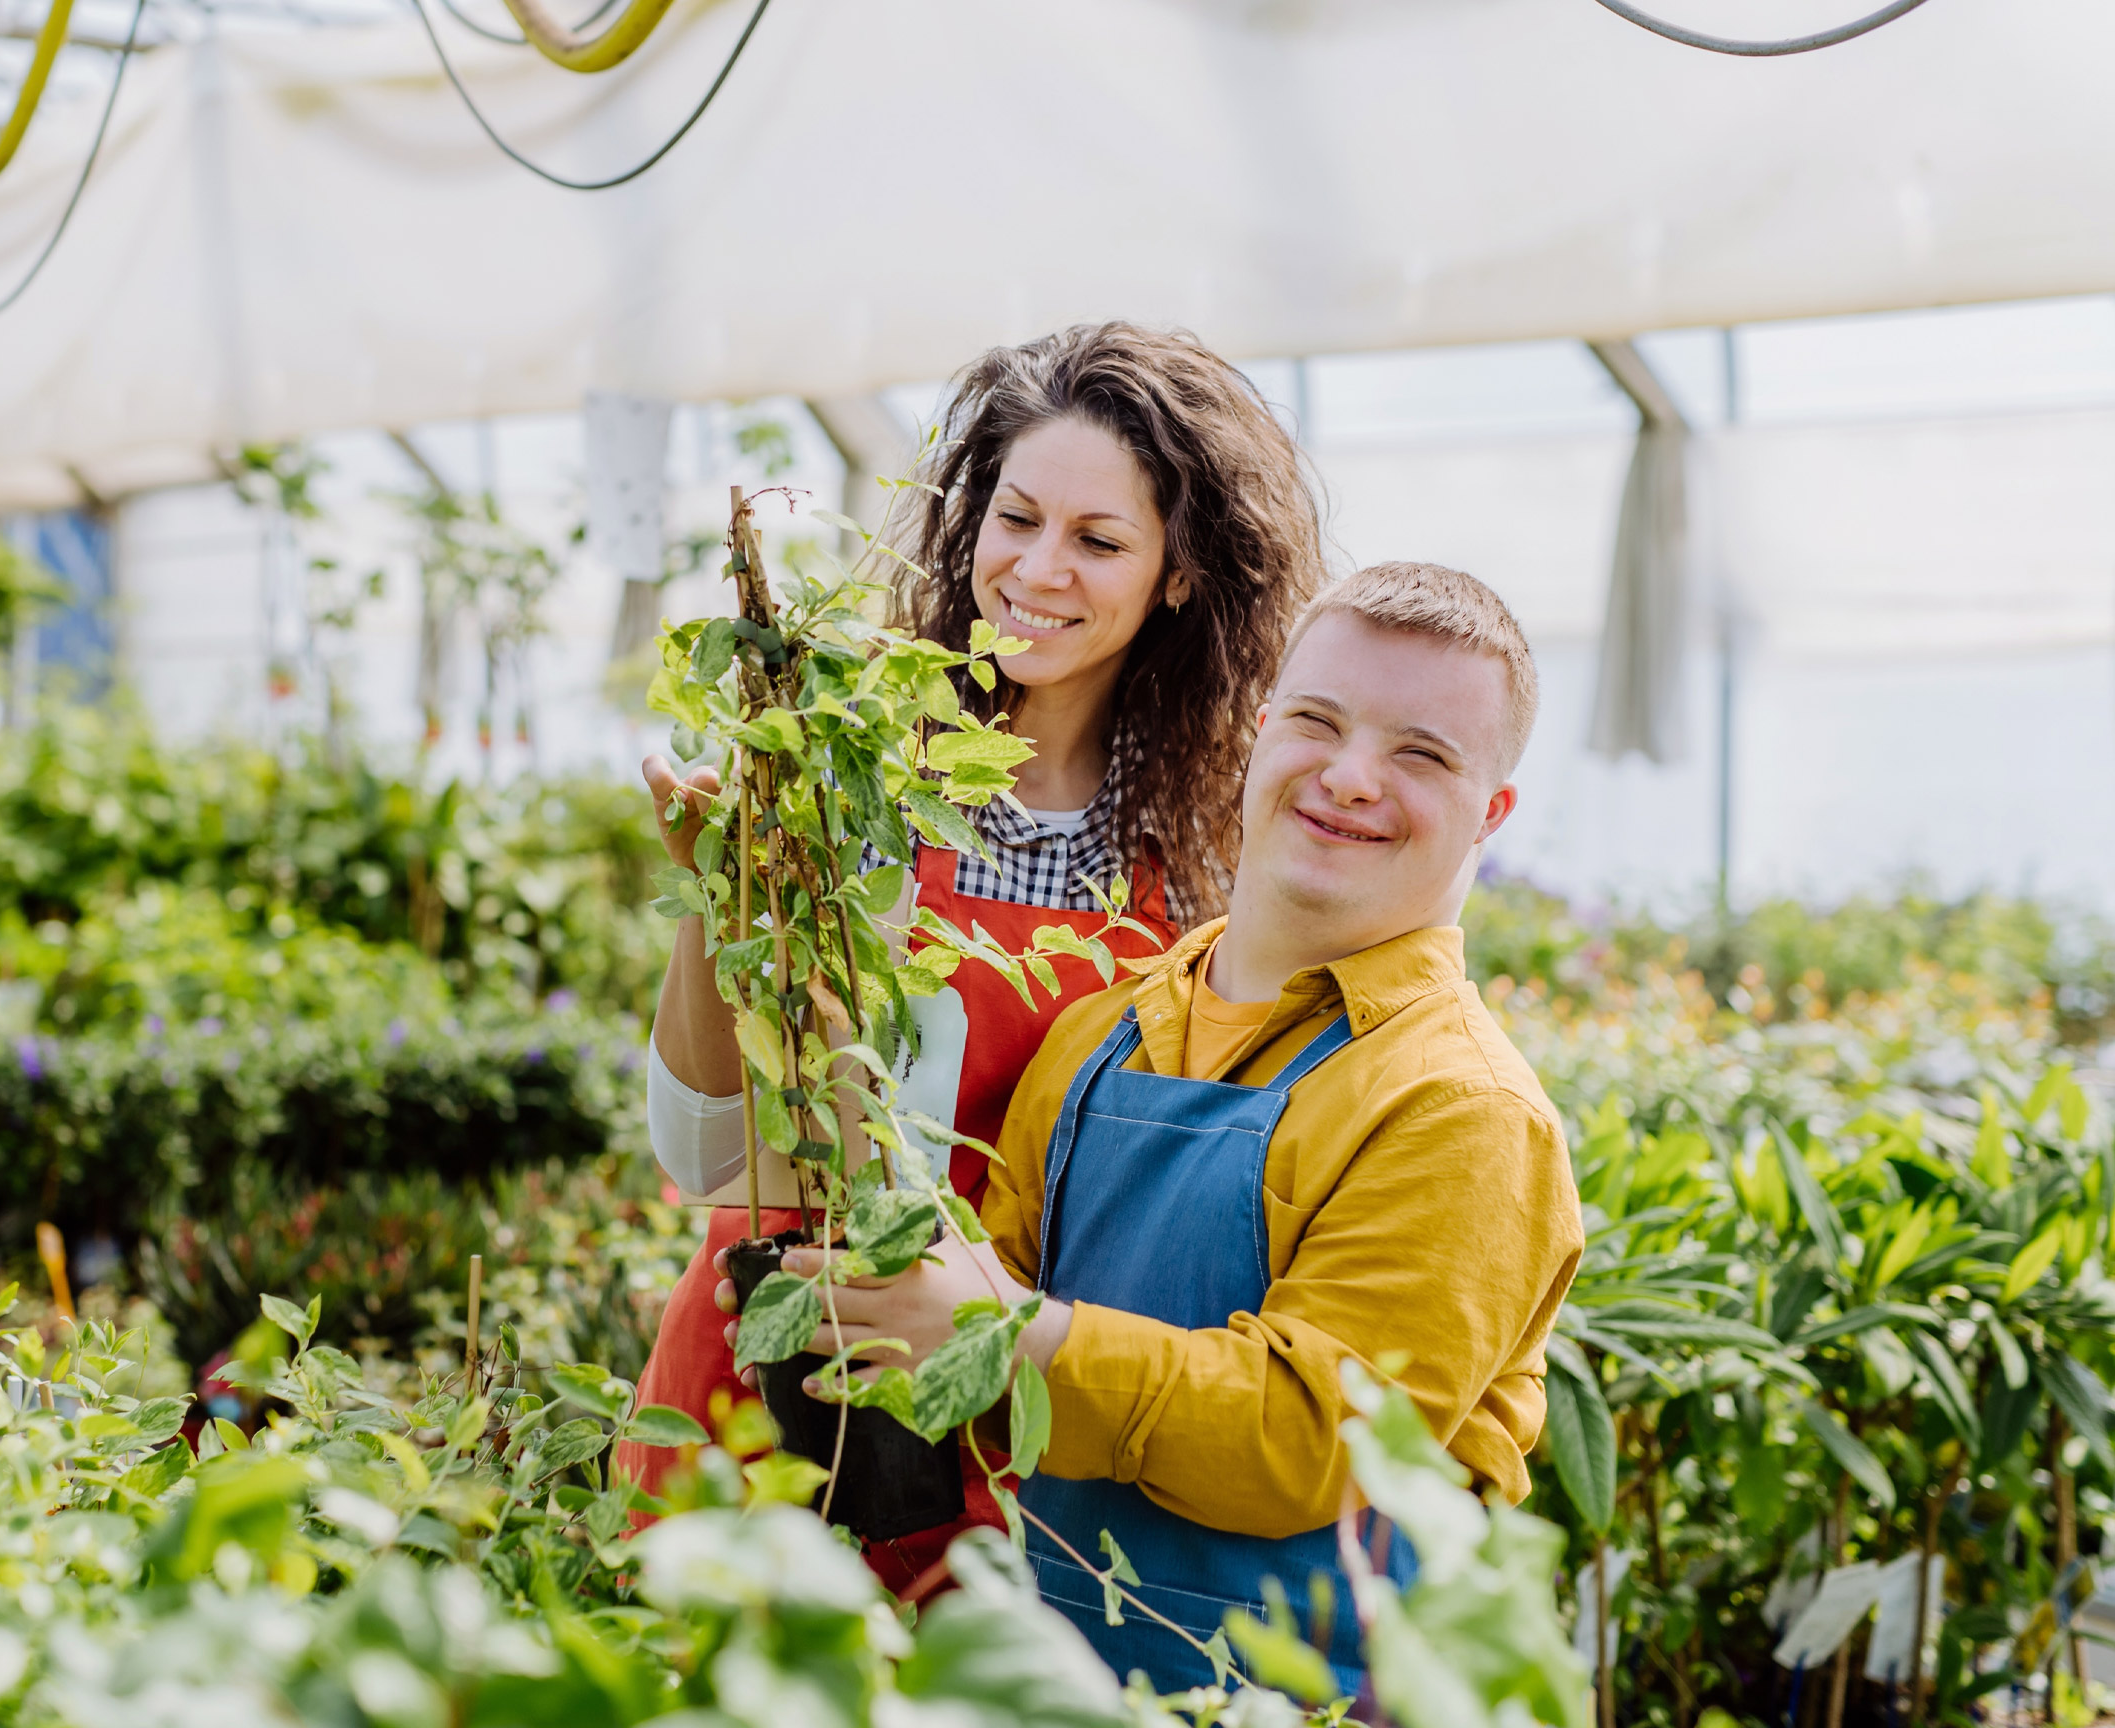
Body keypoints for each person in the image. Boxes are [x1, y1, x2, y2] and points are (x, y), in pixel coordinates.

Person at [745, 562, 1585, 1693]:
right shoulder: (1103, 1035)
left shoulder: (1462, 1109)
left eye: (1421, 754)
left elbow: (1312, 1438)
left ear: (1492, 812)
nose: (1349, 777)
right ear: (1256, 732)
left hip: (1324, 1701)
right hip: (1067, 1681)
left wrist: (1001, 1335)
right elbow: (990, 1386)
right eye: (1317, 723)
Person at [620, 322, 1327, 1590]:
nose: (1038, 570)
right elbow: (702, 1152)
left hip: (997, 1415)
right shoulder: (851, 771)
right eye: (1017, 518)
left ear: (1177, 576)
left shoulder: (1204, 866)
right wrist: (716, 889)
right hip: (770, 1371)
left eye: (1100, 541)